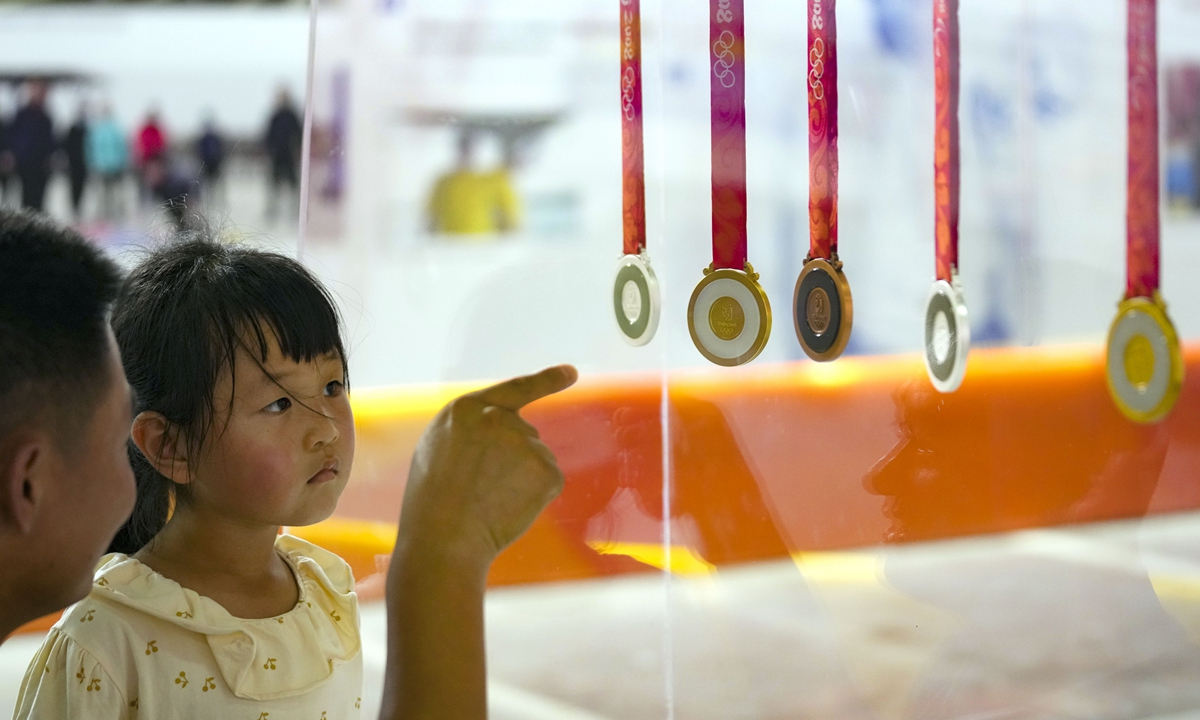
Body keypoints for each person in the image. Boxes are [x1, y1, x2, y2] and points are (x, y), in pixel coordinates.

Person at [0, 208, 577, 719]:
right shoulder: (106, 643)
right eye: (278, 403)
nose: (325, 426)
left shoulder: (326, 594)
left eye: (332, 385)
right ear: (168, 446)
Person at [427, 130, 519, 236]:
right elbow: (432, 218)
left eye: (470, 149)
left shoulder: (493, 181)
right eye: (464, 149)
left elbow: (509, 219)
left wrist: (507, 244)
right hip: (451, 245)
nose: (467, 153)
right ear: (458, 150)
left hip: (483, 244)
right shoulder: (443, 182)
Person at [8, 81, 55, 212]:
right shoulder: (21, 115)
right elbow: (12, 137)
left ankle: (38, 226)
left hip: (42, 164)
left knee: (39, 199)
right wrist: (11, 155)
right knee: (26, 198)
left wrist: (52, 156)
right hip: (25, 163)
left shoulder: (46, 117)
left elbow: (50, 140)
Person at [85, 103, 128, 222]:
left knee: (115, 191)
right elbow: (90, 148)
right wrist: (92, 163)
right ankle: (104, 214)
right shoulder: (97, 129)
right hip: (102, 166)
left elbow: (122, 147)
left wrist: (122, 162)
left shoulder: (114, 128)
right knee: (103, 192)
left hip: (114, 165)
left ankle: (117, 214)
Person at [264, 88, 302, 221]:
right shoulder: (275, 116)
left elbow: (299, 134)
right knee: (274, 184)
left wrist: (296, 149)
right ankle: (273, 210)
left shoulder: (292, 115)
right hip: (277, 155)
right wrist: (269, 149)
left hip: (289, 155)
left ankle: (296, 210)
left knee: (293, 184)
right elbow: (268, 135)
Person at [62, 105, 89, 221]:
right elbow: (65, 146)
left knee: (82, 187)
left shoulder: (87, 130)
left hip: (84, 164)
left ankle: (79, 207)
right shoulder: (71, 129)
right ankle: (74, 207)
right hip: (73, 164)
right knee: (73, 187)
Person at [196, 114, 224, 202]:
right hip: (206, 164)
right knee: (206, 183)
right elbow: (199, 151)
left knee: (217, 183)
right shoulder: (203, 139)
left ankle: (218, 199)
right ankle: (209, 199)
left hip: (215, 163)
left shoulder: (216, 138)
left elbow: (221, 150)